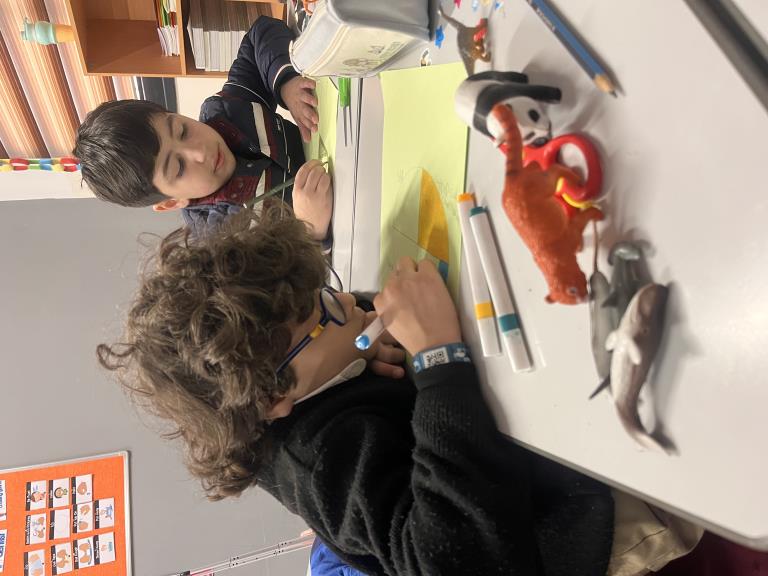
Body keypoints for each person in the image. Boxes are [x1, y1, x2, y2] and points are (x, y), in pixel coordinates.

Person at [98, 208, 615, 575]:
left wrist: (358, 345)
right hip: (570, 523)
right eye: (323, 311)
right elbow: (459, 560)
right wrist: (437, 359)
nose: (346, 302)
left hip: (524, 441)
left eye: (323, 290)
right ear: (274, 398)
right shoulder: (319, 464)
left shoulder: (303, 368)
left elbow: (338, 323)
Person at [73, 16, 332, 243]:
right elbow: (300, 282)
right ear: (172, 202)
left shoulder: (225, 112)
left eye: (182, 131)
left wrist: (286, 82)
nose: (199, 151)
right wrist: (311, 231)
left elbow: (259, 35)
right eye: (179, 167)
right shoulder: (223, 241)